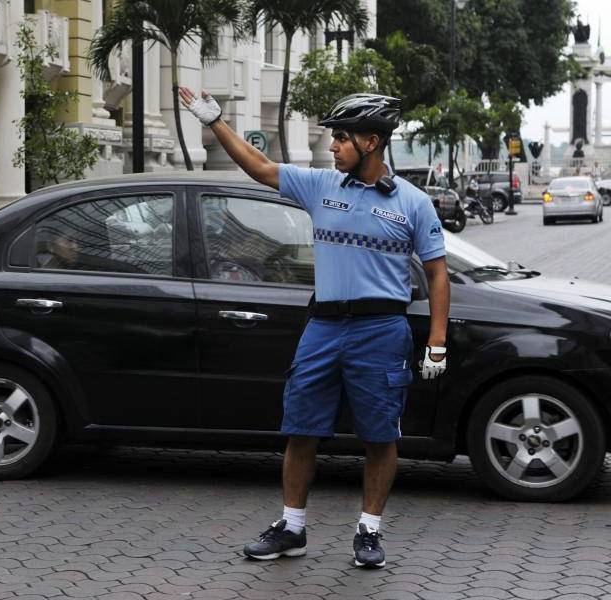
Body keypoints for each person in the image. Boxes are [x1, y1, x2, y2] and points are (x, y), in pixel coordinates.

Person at [180, 88, 450, 569]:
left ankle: (368, 532)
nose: (333, 146)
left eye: (342, 138)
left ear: (371, 142)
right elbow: (261, 168)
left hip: (381, 329)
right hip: (323, 326)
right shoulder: (322, 185)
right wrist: (216, 122)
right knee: (300, 428)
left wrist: (436, 342)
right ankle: (292, 528)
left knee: (380, 436)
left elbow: (436, 273)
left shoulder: (413, 203)